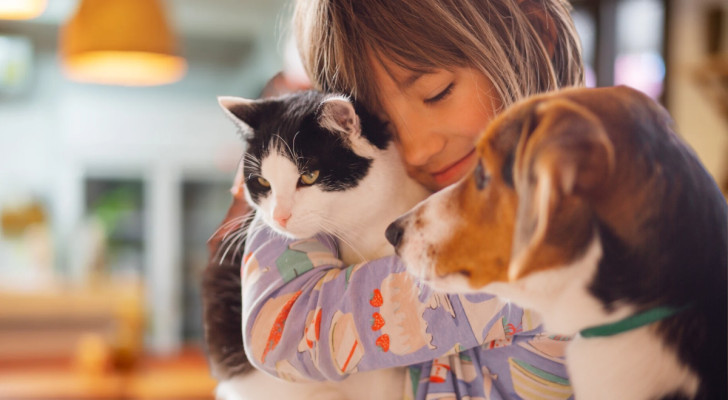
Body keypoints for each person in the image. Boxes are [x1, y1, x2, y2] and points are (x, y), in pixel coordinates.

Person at [204, 0, 585, 398]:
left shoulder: (609, 196)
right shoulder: (328, 182)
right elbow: (277, 333)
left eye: (437, 93)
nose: (418, 149)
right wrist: (518, 279)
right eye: (381, 121)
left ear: (540, 37)